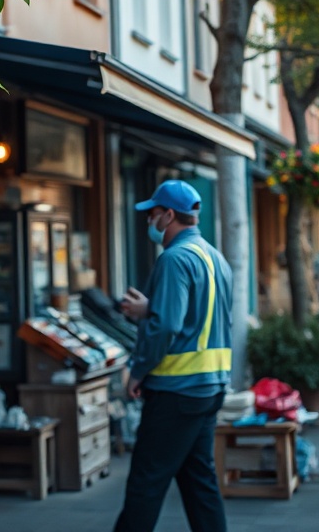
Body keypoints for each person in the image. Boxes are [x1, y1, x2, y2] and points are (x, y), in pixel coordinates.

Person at [113, 179, 233, 532]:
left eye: (152, 215)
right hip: (210, 388)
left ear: (168, 215)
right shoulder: (215, 258)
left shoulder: (174, 259)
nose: (150, 222)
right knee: (199, 483)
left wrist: (137, 371)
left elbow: (166, 326)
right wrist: (150, 308)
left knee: (145, 485)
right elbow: (201, 317)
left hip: (175, 391)